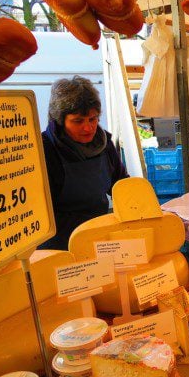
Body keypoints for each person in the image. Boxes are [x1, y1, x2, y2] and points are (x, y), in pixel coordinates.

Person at [40, 76, 128, 250]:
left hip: (99, 236)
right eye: (78, 121)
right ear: (60, 120)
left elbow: (121, 184)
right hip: (59, 245)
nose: (88, 128)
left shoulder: (103, 143)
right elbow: (41, 213)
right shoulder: (45, 149)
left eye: (93, 119)